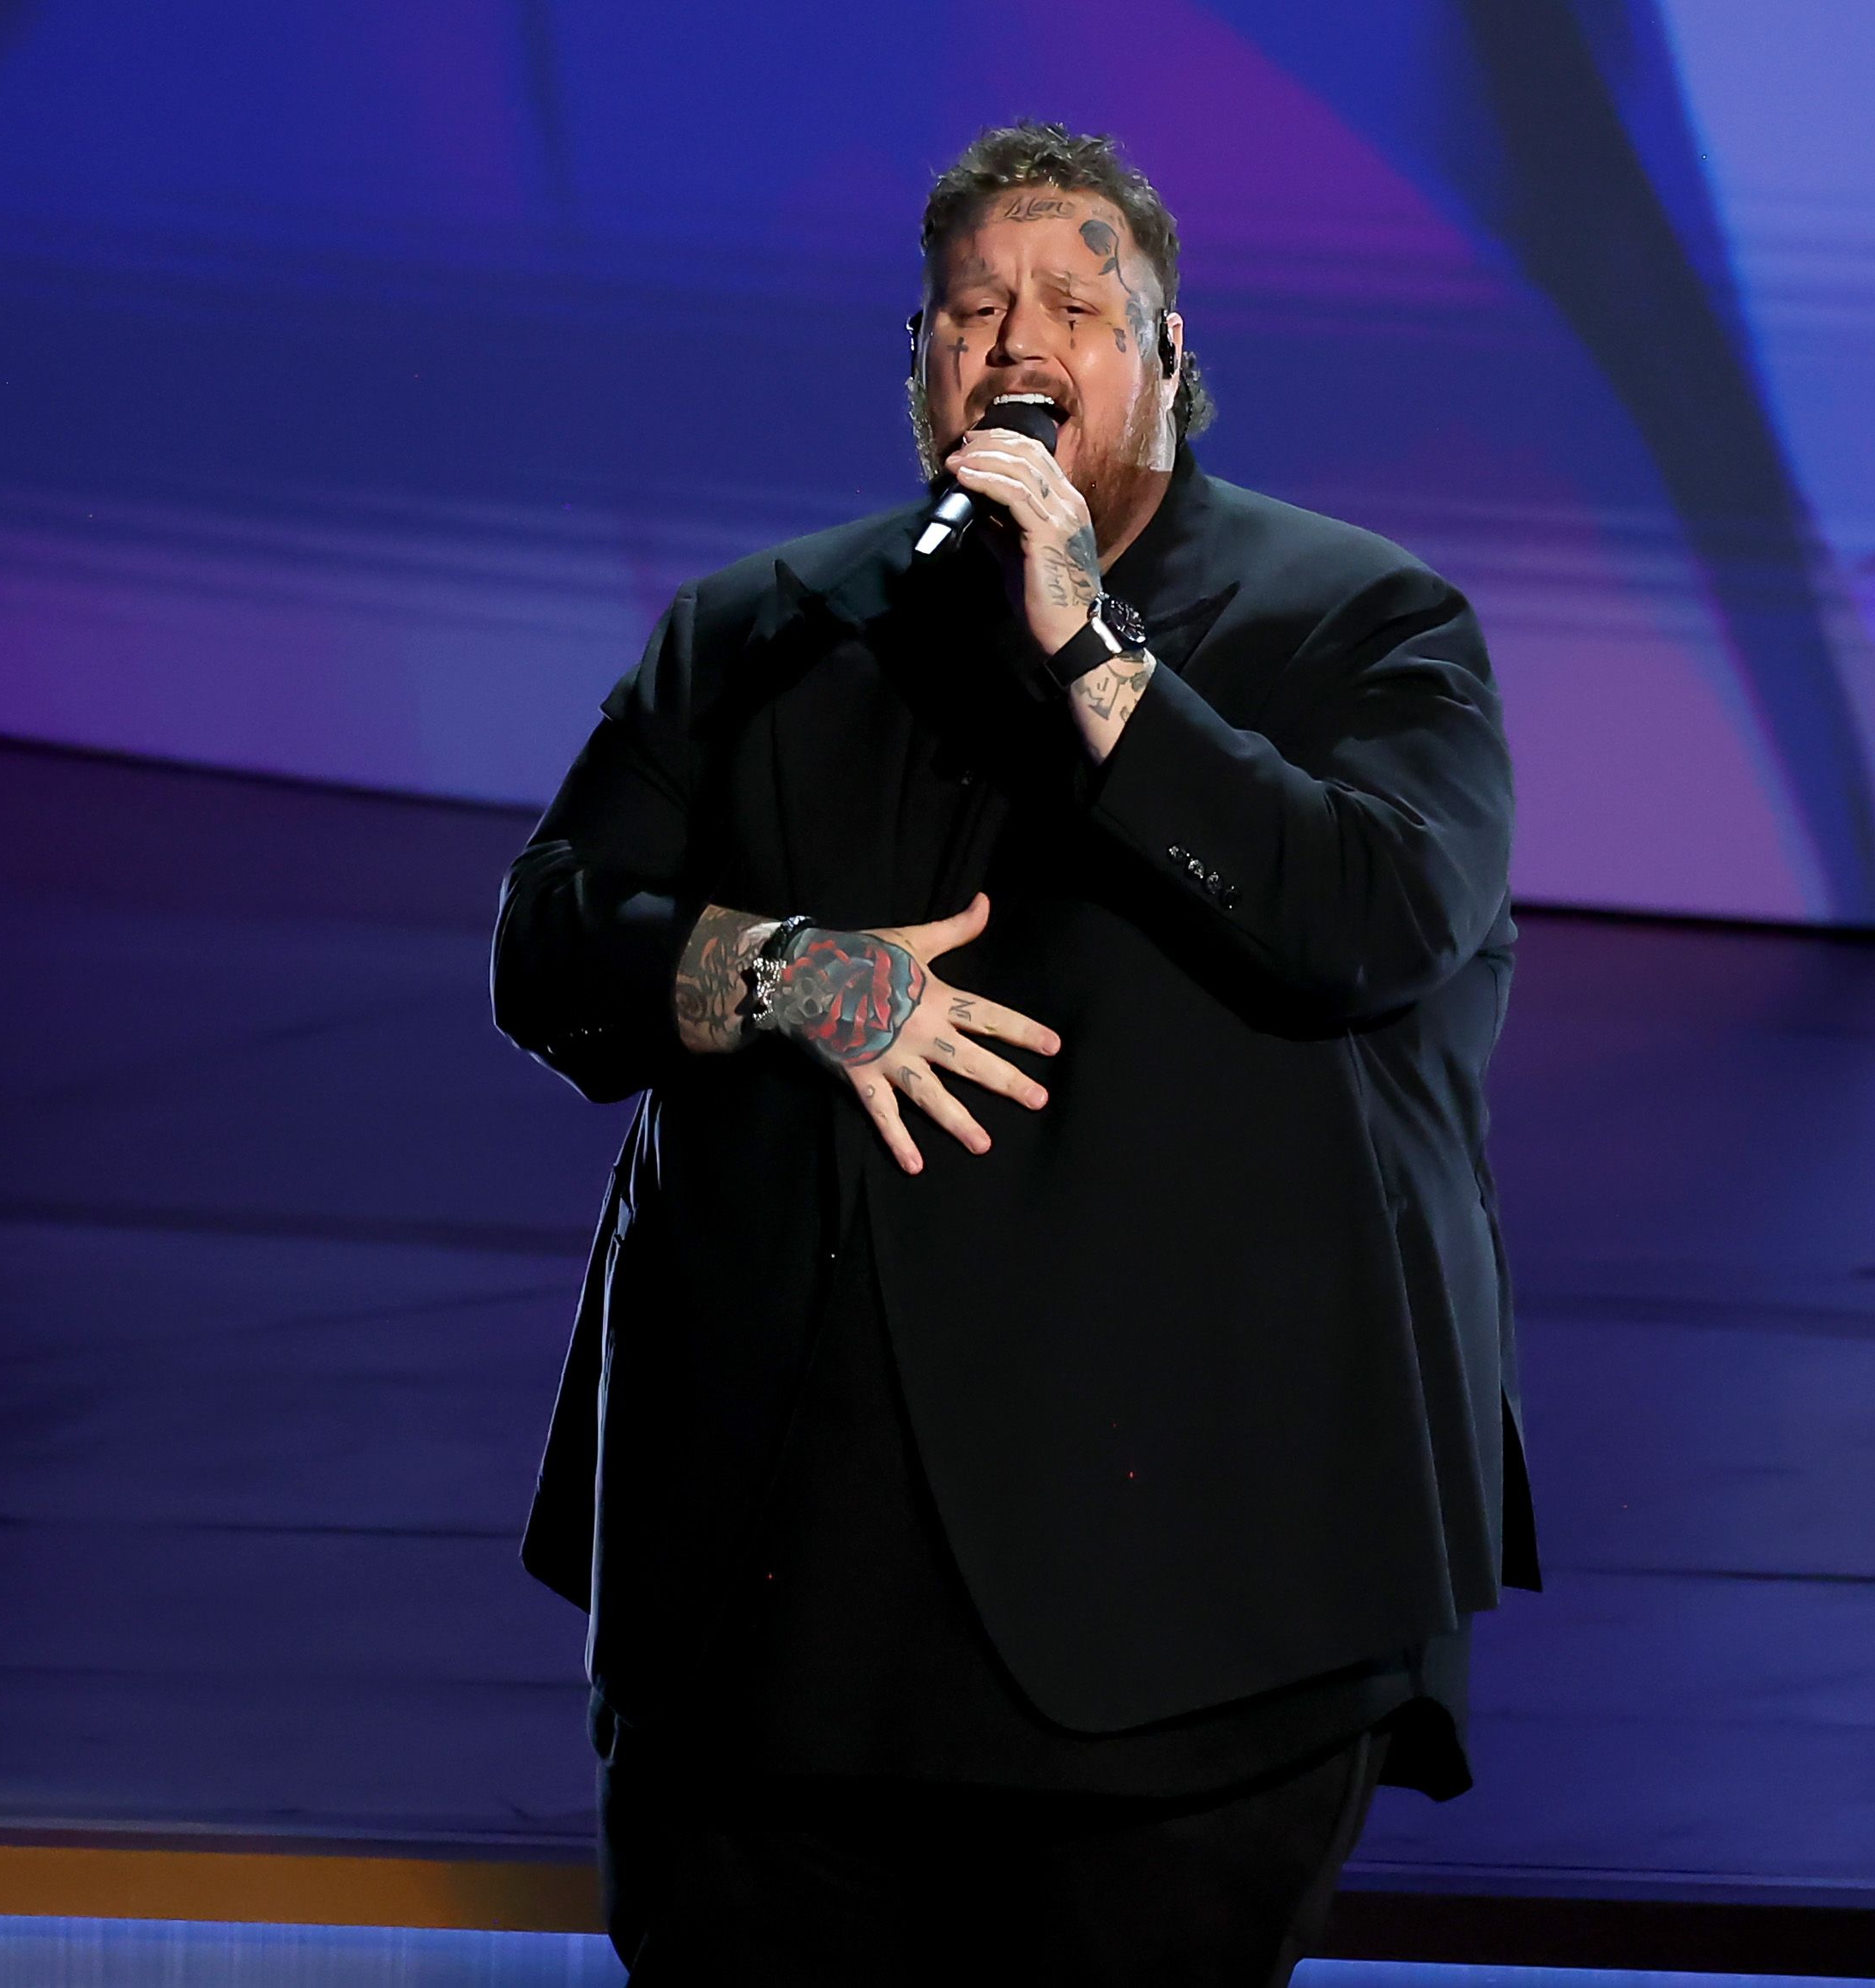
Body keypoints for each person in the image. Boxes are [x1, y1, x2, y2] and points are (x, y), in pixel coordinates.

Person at [493, 120, 1539, 1987]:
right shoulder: (759, 634)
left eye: (1072, 301)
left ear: (1165, 357)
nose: (1016, 341)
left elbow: (1368, 919)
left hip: (1195, 1609)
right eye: (971, 310)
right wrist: (785, 970)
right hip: (775, 1611)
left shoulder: (1360, 624)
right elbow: (552, 946)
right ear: (919, 367)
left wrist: (1086, 643)